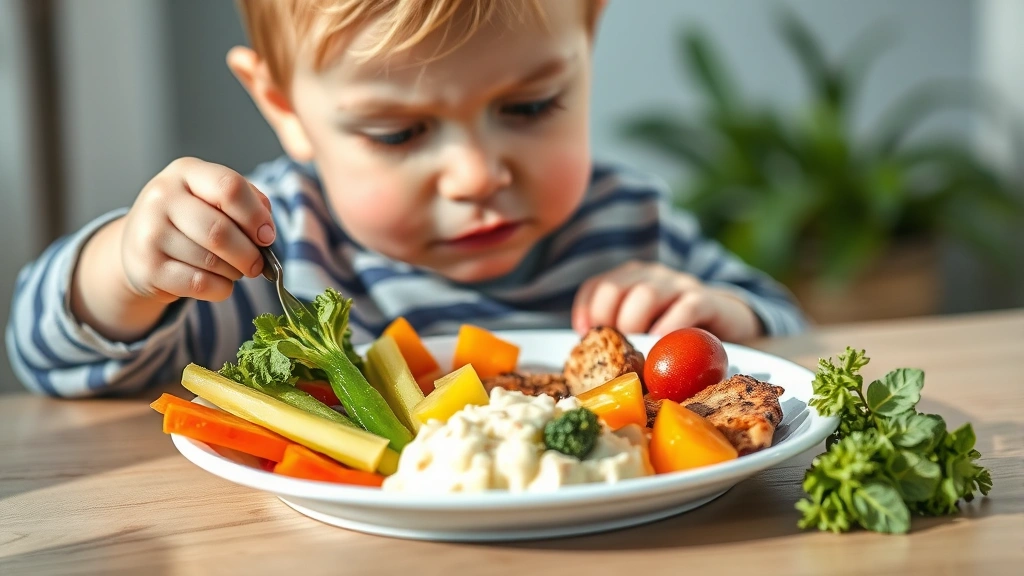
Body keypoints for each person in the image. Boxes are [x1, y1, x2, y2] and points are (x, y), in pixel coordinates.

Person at [6, 0, 805, 398]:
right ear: (284, 107)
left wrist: (725, 319)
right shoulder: (275, 250)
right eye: (398, 133)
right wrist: (124, 269)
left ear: (586, 42)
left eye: (528, 108)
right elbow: (48, 359)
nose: (476, 176)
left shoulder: (630, 220)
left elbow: (791, 332)